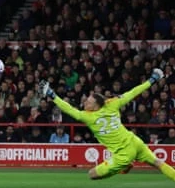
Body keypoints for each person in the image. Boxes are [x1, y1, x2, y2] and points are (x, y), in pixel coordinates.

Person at [38, 68, 175, 181]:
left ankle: (123, 166)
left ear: (95, 106)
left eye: (88, 102)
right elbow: (132, 93)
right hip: (135, 141)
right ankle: (125, 165)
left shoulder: (87, 117)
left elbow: (68, 108)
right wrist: (152, 79)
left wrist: (52, 94)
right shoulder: (112, 103)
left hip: (123, 154)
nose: (85, 103)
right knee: (158, 163)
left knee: (92, 175)